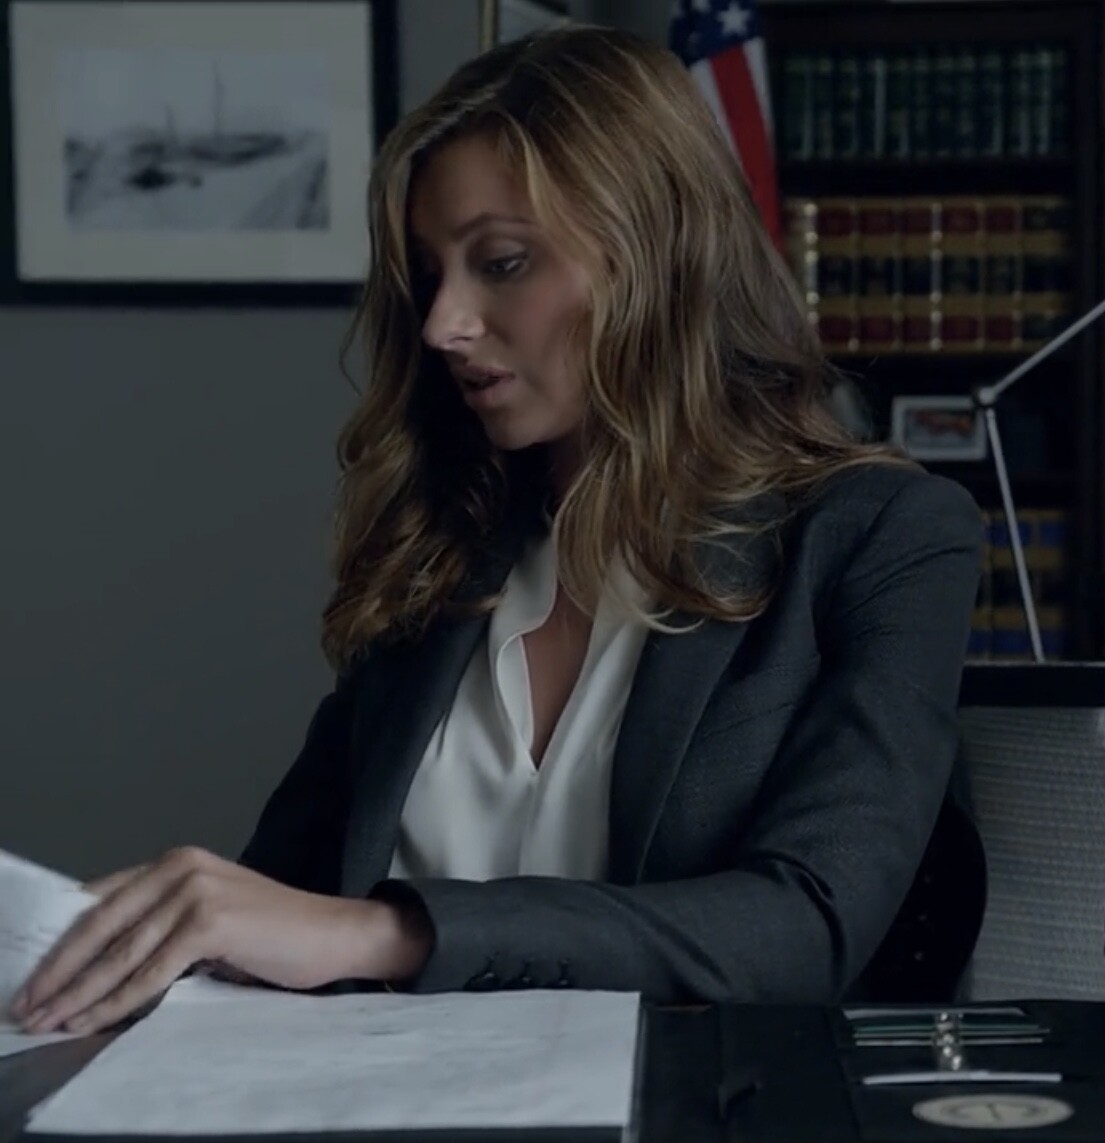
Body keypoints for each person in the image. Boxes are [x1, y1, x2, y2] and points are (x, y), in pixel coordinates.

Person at [10, 25, 985, 1036]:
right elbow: (282, 898)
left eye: (503, 262)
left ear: (654, 253)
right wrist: (131, 938)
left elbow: (808, 925)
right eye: (430, 274)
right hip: (364, 1096)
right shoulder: (439, 550)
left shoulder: (883, 534)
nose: (444, 325)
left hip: (690, 1101)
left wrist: (388, 933)